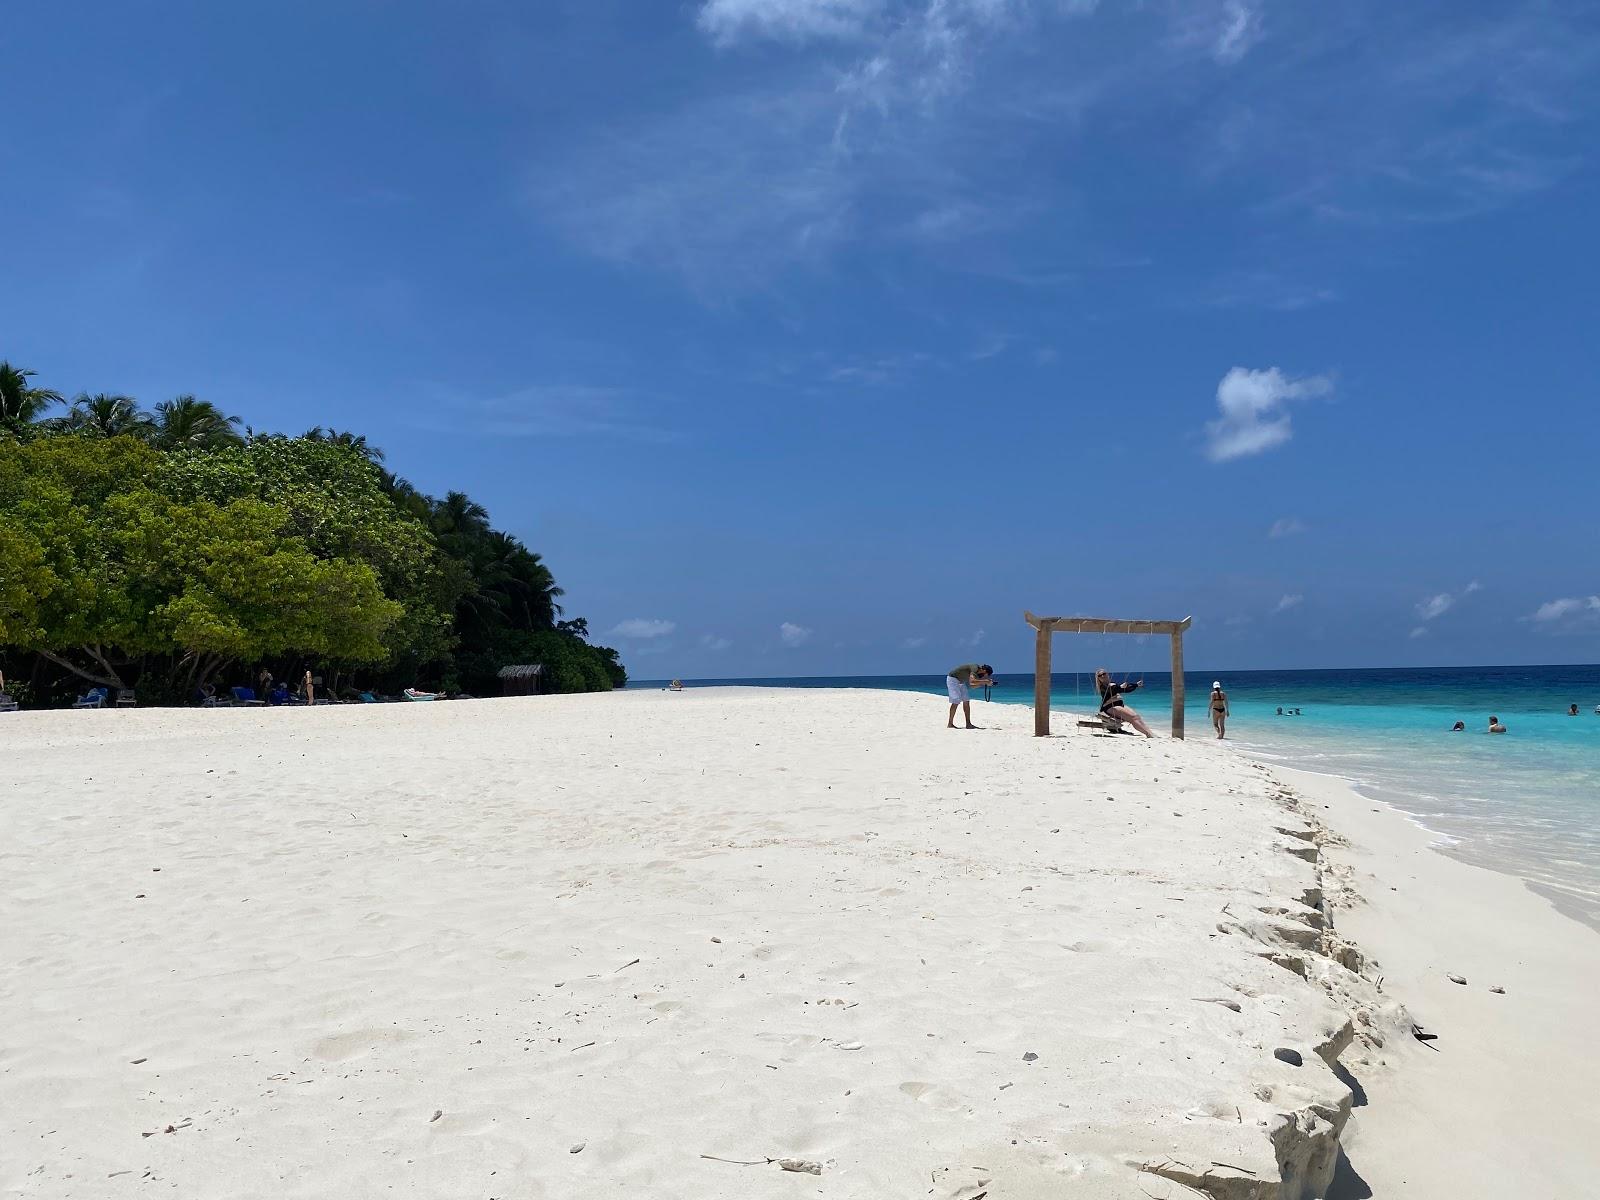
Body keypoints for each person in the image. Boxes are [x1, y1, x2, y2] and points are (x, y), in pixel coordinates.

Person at [1095, 668, 1154, 738]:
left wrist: (1136, 685)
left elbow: (1125, 689)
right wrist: (1120, 686)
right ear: (1098, 678)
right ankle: (1148, 734)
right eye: (1100, 675)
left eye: (1104, 674)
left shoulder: (1112, 684)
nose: (1102, 676)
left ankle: (1150, 733)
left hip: (1119, 705)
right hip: (1110, 707)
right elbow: (1110, 691)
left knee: (1136, 716)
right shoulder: (1102, 687)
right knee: (1133, 718)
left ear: (1107, 674)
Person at [946, 663, 994, 729]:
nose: (986, 676)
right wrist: (985, 681)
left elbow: (973, 686)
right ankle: (950, 724)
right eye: (987, 675)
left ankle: (968, 724)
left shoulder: (977, 675)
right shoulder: (975, 668)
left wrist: (985, 683)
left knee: (966, 700)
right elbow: (972, 682)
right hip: (953, 679)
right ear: (985, 671)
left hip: (961, 682)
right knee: (956, 701)